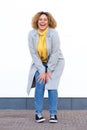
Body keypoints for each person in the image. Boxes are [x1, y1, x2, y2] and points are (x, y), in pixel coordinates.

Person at [27, 11, 65, 123]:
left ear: (49, 22)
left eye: (45, 19)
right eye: (40, 19)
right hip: (39, 63)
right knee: (40, 83)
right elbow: (33, 54)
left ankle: (53, 114)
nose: (42, 21)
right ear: (37, 21)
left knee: (52, 86)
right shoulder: (31, 34)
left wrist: (49, 71)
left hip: (56, 62)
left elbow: (55, 53)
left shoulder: (53, 33)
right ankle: (38, 114)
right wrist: (42, 71)